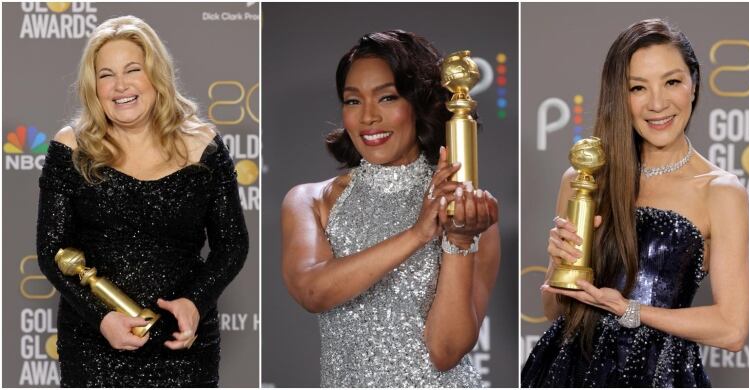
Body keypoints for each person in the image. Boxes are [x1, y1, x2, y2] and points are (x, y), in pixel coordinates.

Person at [521, 19, 749, 387]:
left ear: (693, 83)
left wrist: (628, 310)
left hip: (658, 374)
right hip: (568, 370)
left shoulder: (719, 190)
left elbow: (731, 329)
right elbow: (553, 309)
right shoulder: (584, 179)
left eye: (672, 82)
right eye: (638, 88)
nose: (658, 103)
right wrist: (560, 270)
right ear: (620, 95)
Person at [36, 16, 248, 387]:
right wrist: (101, 317)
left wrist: (194, 302)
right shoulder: (72, 148)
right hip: (93, 343)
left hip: (182, 343)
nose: (120, 85)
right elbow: (51, 250)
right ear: (93, 86)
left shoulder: (203, 145)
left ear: (156, 75)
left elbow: (232, 244)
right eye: (106, 75)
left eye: (133, 69)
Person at [281, 30, 500, 387]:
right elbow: (312, 291)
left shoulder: (469, 210)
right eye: (353, 101)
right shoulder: (311, 200)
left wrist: (458, 241)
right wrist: (417, 234)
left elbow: (446, 351)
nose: (368, 117)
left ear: (419, 104)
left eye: (387, 97)